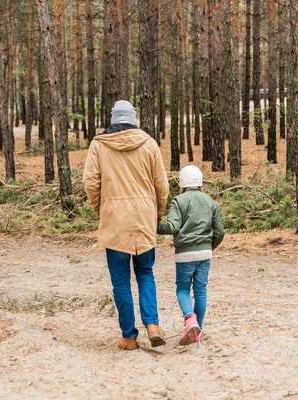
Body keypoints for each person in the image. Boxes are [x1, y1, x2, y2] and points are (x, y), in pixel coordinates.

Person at [83, 100, 169, 350]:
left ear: (113, 119)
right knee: (145, 272)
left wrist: (101, 209)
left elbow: (90, 183)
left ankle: (129, 336)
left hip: (114, 218)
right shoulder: (149, 143)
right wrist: (156, 214)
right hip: (143, 217)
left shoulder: (99, 145)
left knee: (120, 281)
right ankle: (152, 324)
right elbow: (161, 185)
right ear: (133, 119)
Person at [157, 165, 224, 345]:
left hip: (185, 254)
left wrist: (153, 225)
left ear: (182, 183)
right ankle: (196, 331)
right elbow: (220, 231)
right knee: (201, 291)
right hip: (204, 253)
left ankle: (190, 320)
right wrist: (209, 247)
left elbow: (172, 227)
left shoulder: (179, 201)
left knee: (182, 289)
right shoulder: (209, 200)